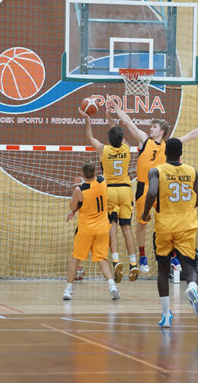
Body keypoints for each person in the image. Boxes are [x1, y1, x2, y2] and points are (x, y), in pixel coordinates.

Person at [107, 96, 198, 274]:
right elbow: (128, 122)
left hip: (162, 188)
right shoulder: (144, 140)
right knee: (142, 223)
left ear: (162, 131)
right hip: (144, 187)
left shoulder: (169, 145)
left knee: (166, 221)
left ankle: (174, 255)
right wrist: (116, 108)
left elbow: (191, 135)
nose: (150, 128)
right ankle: (142, 256)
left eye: (154, 127)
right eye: (151, 126)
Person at [141, 138, 198, 328]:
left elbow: (152, 192)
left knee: (163, 270)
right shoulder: (192, 171)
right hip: (186, 226)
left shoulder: (156, 171)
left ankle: (166, 315)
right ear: (181, 153)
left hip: (164, 227)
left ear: (165, 152)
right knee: (190, 268)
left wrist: (145, 213)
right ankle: (192, 288)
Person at [78, 106, 139, 282]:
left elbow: (90, 137)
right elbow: (118, 134)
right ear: (121, 139)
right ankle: (133, 264)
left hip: (110, 191)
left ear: (109, 139)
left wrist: (87, 120)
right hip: (125, 191)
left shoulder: (103, 150)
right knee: (126, 228)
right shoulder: (126, 148)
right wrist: (110, 118)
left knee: (112, 227)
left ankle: (116, 260)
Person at [62, 161, 121, 301]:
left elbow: (73, 206)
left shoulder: (80, 190)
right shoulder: (102, 181)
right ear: (94, 172)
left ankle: (68, 290)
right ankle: (112, 286)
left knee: (76, 258)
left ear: (83, 174)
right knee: (102, 259)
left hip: (86, 229)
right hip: (102, 228)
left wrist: (74, 205)